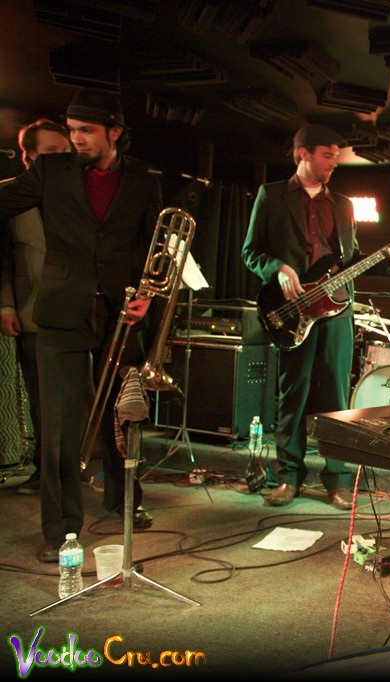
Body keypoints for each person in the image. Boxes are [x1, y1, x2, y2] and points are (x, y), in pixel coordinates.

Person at [0, 89, 163, 562]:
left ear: (114, 131)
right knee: (59, 425)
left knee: (122, 417)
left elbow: (155, 246)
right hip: (61, 312)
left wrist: (149, 295)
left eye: (86, 131)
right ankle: (62, 531)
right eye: (72, 131)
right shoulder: (50, 171)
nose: (77, 139)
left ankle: (124, 503)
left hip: (120, 312)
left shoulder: (143, 179)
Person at [242, 124, 390, 509]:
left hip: (337, 310)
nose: (335, 162)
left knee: (336, 396)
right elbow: (251, 252)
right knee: (293, 394)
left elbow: (350, 260)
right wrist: (278, 269)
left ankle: (338, 480)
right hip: (292, 309)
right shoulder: (271, 196)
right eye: (327, 155)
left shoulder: (343, 205)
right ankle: (289, 476)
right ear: (303, 154)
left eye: (336, 155)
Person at [0, 119, 72, 494]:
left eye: (65, 151)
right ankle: (46, 472)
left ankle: (72, 469)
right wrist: (6, 307)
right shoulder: (9, 194)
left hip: (75, 311)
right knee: (41, 397)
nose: (61, 158)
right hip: (31, 308)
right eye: (51, 152)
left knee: (75, 397)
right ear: (28, 156)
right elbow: (3, 258)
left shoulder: (77, 194)